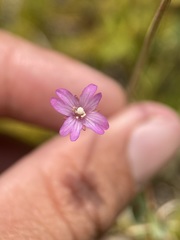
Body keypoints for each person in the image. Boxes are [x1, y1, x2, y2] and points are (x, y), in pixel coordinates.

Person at [0, 30, 179, 240]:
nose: (79, 112)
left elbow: (94, 120)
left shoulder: (87, 115)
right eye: (76, 111)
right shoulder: (74, 117)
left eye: (81, 111)